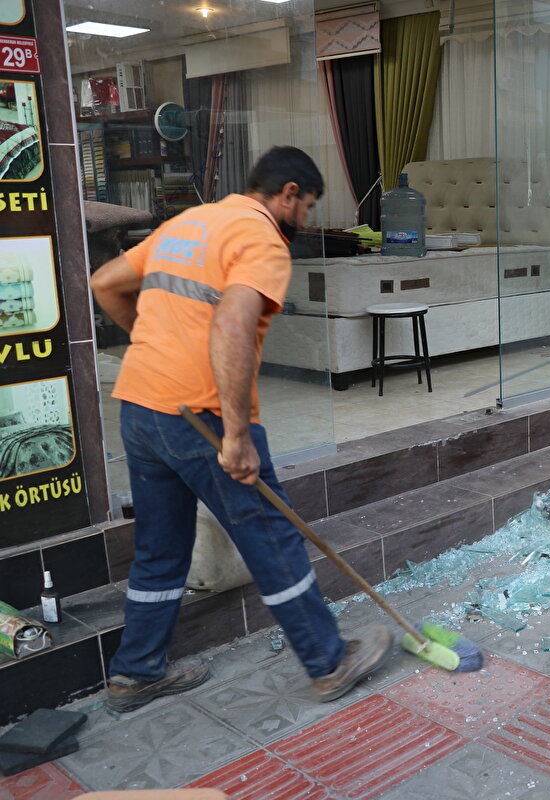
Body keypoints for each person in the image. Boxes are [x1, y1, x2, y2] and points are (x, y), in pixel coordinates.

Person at [89, 146, 391, 712]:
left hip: (140, 405)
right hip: (202, 417)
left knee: (160, 546)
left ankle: (135, 673)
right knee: (271, 537)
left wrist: (155, 349)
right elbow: (231, 325)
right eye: (307, 206)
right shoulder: (260, 238)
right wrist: (235, 435)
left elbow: (105, 282)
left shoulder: (190, 222)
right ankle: (328, 661)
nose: (304, 219)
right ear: (289, 193)